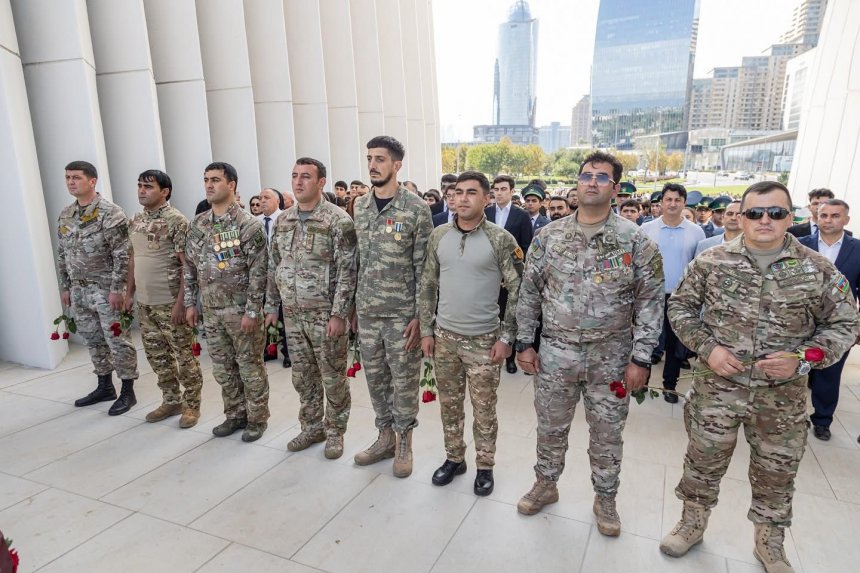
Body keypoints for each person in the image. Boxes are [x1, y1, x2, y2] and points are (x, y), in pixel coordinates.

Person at [660, 182, 860, 573]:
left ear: (791, 217)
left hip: (780, 400)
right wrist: (709, 348)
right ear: (742, 217)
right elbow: (680, 308)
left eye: (775, 212)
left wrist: (802, 359)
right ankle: (691, 524)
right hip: (717, 392)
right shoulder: (712, 261)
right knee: (702, 463)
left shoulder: (817, 268)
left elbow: (844, 325)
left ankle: (769, 543)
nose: (764, 220)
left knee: (776, 472)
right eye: (755, 213)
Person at [515, 151, 664, 537]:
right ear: (577, 184)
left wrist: (641, 358)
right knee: (550, 426)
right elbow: (529, 293)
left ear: (615, 188)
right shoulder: (549, 237)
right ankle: (545, 484)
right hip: (556, 352)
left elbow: (651, 303)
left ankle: (606, 498)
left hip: (611, 357)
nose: (592, 182)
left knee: (607, 433)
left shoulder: (636, 241)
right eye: (586, 176)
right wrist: (524, 342)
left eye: (601, 177)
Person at [419, 170, 523, 496]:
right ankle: (454, 458)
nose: (462, 198)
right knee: (450, 405)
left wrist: (507, 338)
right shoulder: (439, 235)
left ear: (487, 199)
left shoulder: (500, 239)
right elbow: (427, 284)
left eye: (471, 192)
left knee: (484, 409)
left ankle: (485, 466)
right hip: (445, 338)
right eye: (458, 192)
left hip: (483, 341)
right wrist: (426, 329)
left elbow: (518, 290)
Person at [352, 136, 433, 477]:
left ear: (397, 165)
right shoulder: (359, 206)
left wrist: (420, 316)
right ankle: (384, 437)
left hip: (402, 316)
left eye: (380, 159)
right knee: (375, 380)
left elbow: (424, 269)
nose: (373, 165)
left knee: (404, 383)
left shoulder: (416, 208)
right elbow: (356, 260)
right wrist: (353, 308)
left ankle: (404, 443)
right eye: (369, 158)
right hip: (368, 312)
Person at [265, 158, 357, 459]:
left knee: (332, 376)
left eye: (306, 176)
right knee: (303, 376)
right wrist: (272, 306)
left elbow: (348, 270)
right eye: (294, 176)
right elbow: (274, 265)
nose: (298, 181)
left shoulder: (337, 220)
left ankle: (335, 432)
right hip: (293, 313)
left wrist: (339, 314)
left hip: (324, 314)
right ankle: (311, 427)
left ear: (321, 182)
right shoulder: (284, 220)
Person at [184, 162, 270, 442]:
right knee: (222, 368)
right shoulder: (199, 223)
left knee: (250, 368)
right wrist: (190, 303)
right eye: (206, 180)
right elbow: (190, 267)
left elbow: (259, 272)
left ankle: (257, 419)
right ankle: (234, 414)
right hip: (211, 310)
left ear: (231, 185)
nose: (209, 185)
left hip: (240, 311)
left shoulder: (248, 224)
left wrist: (253, 311)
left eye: (215, 180)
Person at [57, 160, 139, 415]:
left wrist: (118, 290)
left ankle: (128, 391)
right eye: (68, 177)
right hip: (80, 291)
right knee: (93, 339)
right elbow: (62, 253)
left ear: (92, 181)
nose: (71, 182)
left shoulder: (110, 213)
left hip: (105, 290)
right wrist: (65, 286)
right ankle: (105, 386)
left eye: (76, 177)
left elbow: (122, 255)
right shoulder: (66, 214)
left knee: (118, 340)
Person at [125, 169, 204, 428]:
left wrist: (182, 303)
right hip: (146, 303)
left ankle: (191, 405)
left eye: (148, 186)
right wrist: (129, 294)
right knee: (157, 356)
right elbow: (133, 259)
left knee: (184, 357)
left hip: (170, 302)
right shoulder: (136, 219)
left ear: (165, 191)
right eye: (139, 185)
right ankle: (171, 400)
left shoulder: (176, 221)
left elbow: (187, 266)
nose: (141, 190)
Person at [799, 199, 860, 441]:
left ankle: (822, 420)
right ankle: (792, 417)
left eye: (835, 216)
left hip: (837, 325)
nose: (828, 220)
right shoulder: (800, 245)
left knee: (829, 374)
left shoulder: (857, 249)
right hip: (799, 322)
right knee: (796, 370)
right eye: (824, 215)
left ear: (846, 219)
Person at [641, 183, 705, 403]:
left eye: (677, 200)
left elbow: (699, 265)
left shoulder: (695, 231)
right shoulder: (647, 229)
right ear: (661, 202)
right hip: (651, 294)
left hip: (680, 297)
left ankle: (670, 386)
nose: (672, 204)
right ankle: (642, 382)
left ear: (684, 203)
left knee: (674, 344)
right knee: (648, 339)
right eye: (668, 199)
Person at [485, 175, 533, 374]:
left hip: (510, 277)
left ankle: (510, 358)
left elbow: (526, 246)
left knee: (509, 315)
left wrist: (512, 272)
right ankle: (489, 352)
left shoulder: (521, 216)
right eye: (496, 189)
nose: (499, 193)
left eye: (503, 189)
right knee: (490, 315)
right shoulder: (486, 212)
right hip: (487, 274)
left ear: (512, 191)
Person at [257, 188, 291, 367]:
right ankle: (269, 350)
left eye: (267, 197)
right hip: (262, 276)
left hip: (282, 276)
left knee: (284, 316)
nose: (262, 201)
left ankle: (288, 353)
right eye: (260, 198)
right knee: (266, 314)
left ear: (278, 201)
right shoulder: (255, 222)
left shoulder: (286, 219)